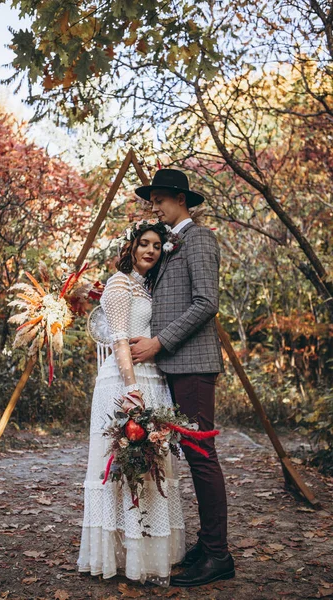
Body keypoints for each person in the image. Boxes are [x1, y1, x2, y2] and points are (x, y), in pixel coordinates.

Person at [131, 169, 235, 587]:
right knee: (193, 456)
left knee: (201, 456)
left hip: (192, 364)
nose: (154, 206)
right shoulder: (172, 244)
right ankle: (208, 546)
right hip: (176, 367)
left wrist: (159, 343)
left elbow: (206, 302)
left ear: (180, 198)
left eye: (159, 198)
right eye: (152, 199)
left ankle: (218, 556)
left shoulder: (200, 239)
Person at [77, 221, 185, 586]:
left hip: (153, 378)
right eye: (144, 244)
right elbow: (120, 341)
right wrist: (131, 389)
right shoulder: (119, 284)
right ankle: (120, 556)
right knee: (123, 465)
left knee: (153, 465)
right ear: (132, 247)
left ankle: (150, 553)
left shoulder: (148, 286)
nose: (150, 251)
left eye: (157, 245)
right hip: (124, 383)